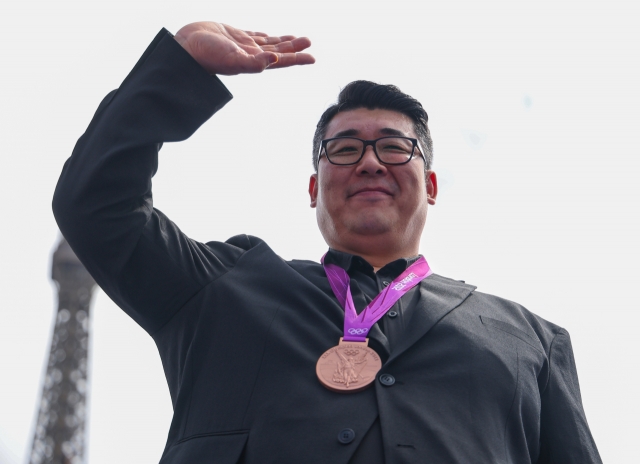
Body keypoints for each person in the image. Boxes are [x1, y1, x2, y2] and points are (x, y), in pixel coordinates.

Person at [52, 21, 602, 464]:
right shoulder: (223, 287)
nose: (367, 162)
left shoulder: (534, 341)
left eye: (393, 148)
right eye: (343, 150)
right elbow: (96, 206)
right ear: (315, 187)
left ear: (430, 185)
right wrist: (179, 69)